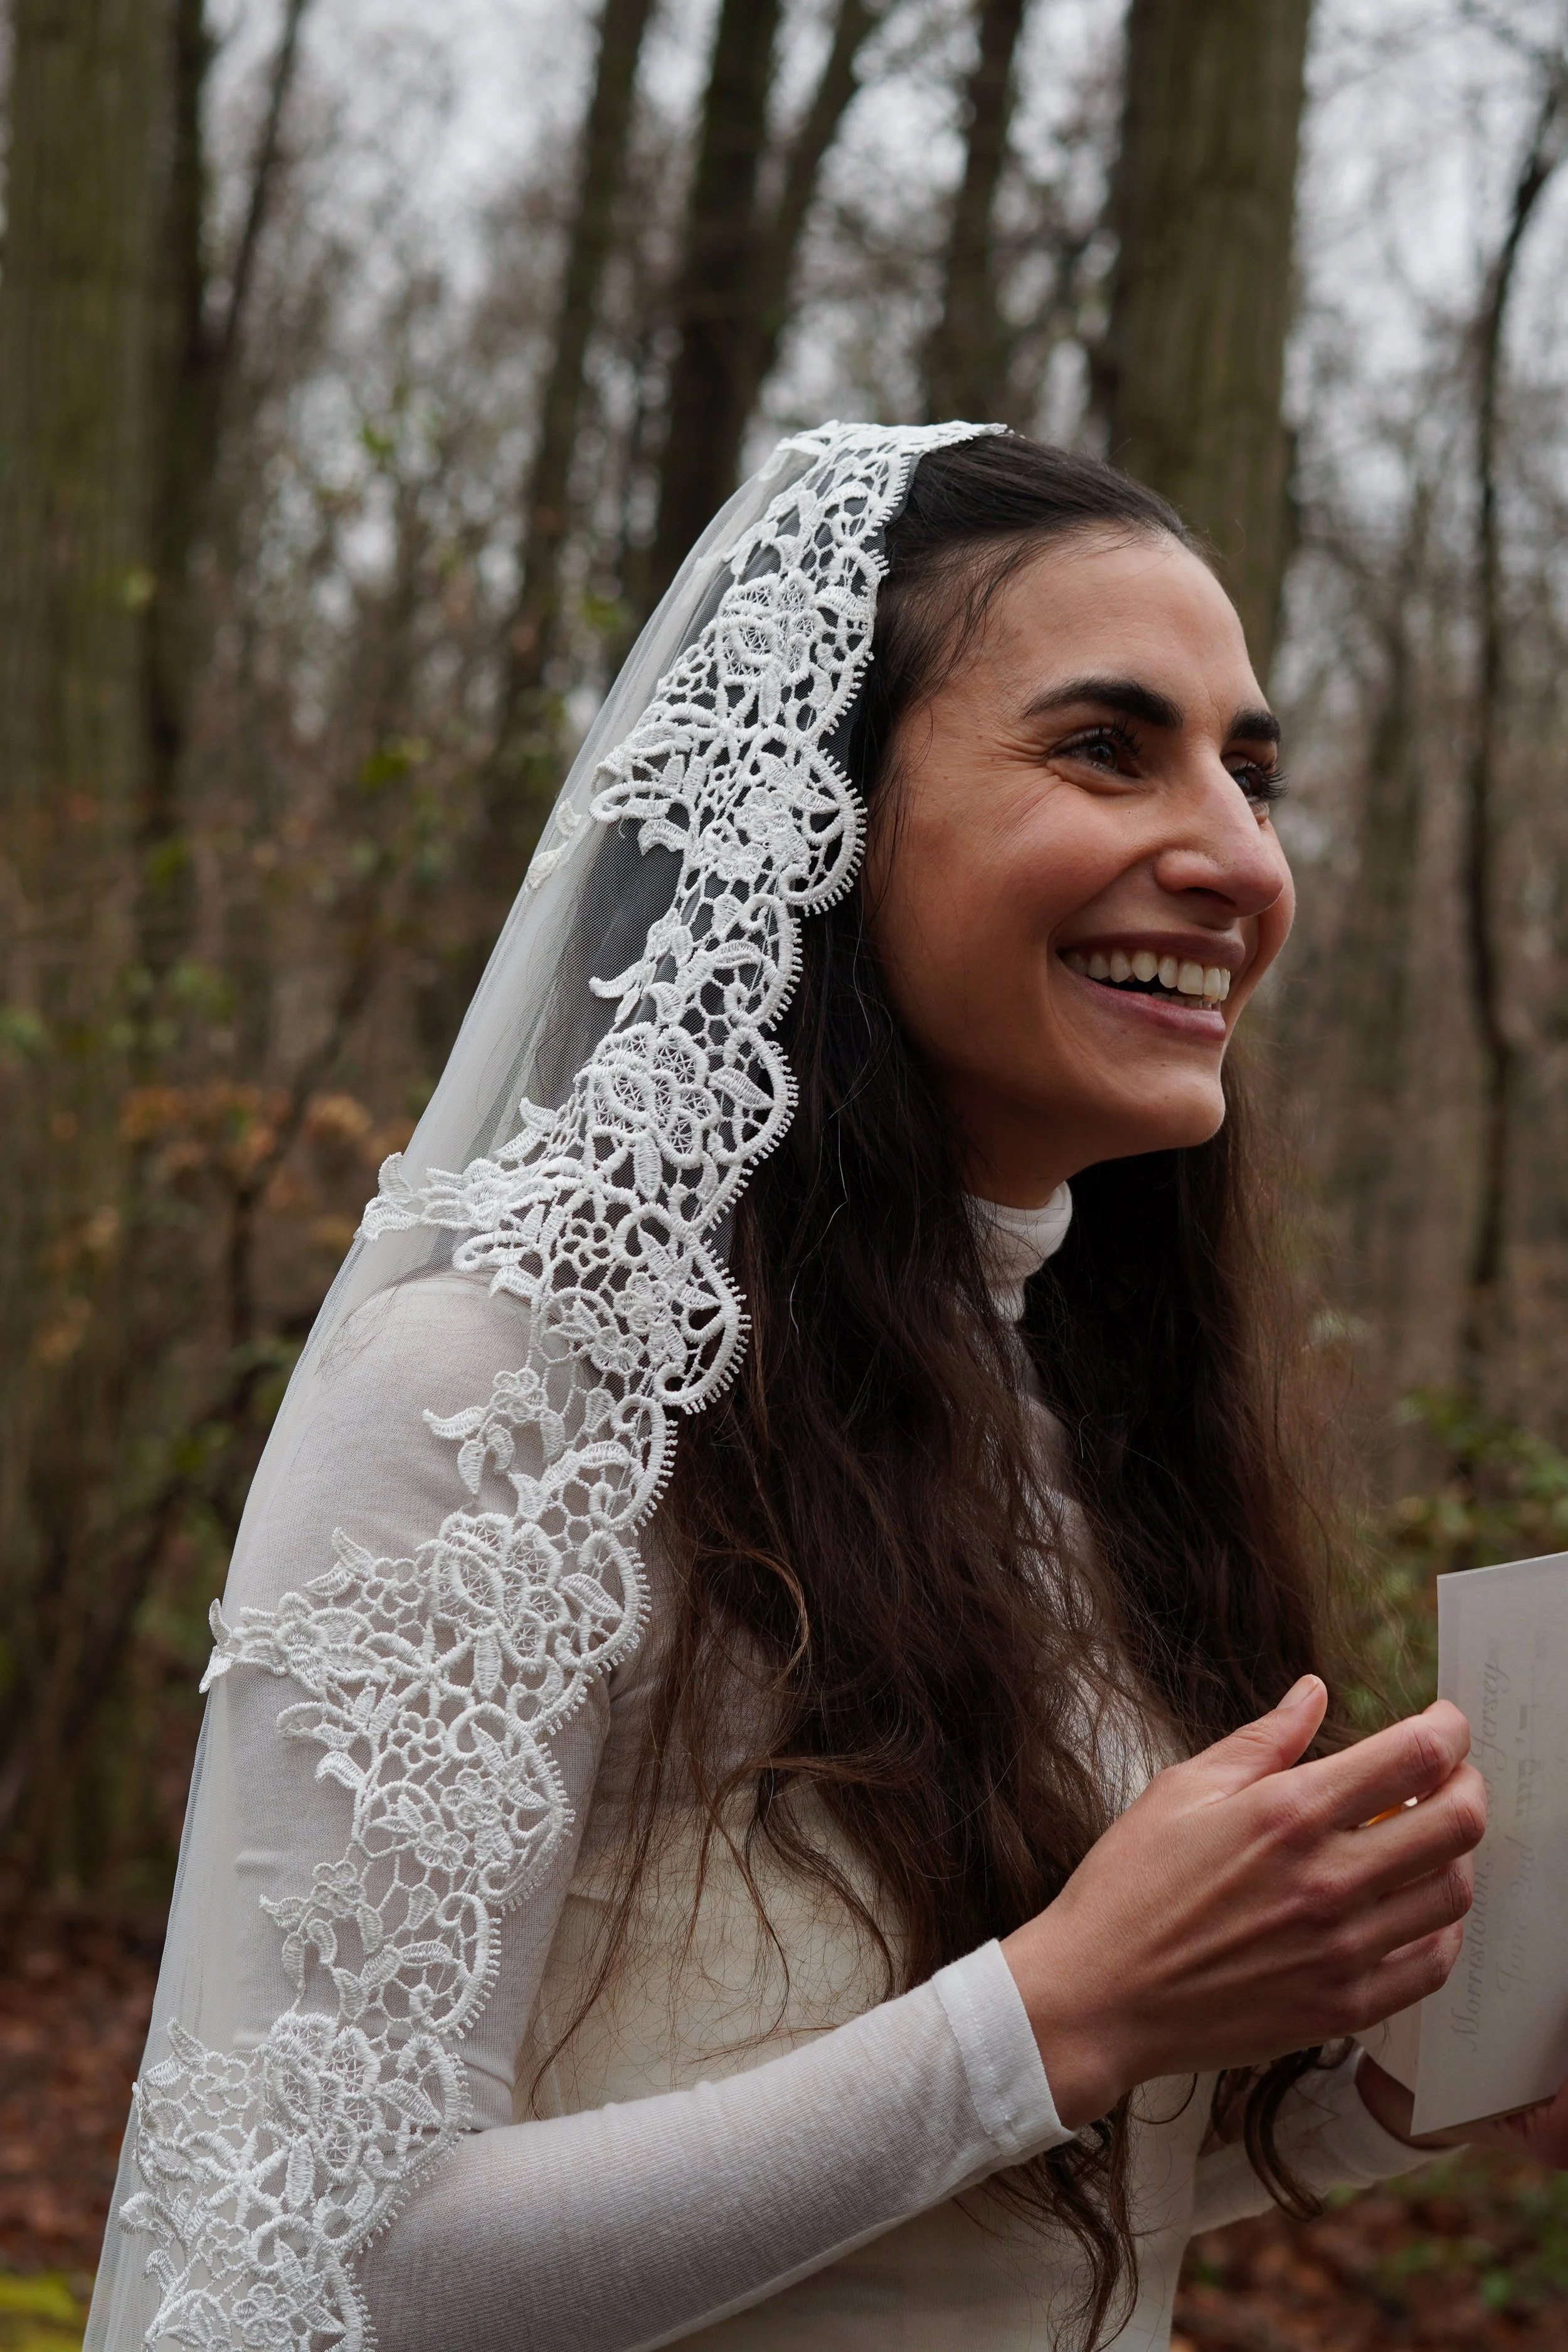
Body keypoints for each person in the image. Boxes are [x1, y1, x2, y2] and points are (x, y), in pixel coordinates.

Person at [85, 423, 1565, 2352]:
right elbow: (318, 2262)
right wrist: (1057, 2006)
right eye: (1106, 747)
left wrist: (1395, 2072)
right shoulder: (493, 1395)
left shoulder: (1092, 1437)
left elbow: (979, 2196)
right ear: (813, 811)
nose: (1234, 859)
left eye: (1249, 773)